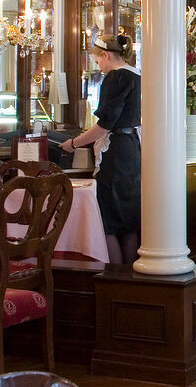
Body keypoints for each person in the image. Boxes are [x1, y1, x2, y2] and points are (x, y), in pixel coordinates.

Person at [59, 35, 141, 264]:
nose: (100, 68)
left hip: (115, 152)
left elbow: (106, 123)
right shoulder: (137, 75)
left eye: (97, 62)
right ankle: (131, 275)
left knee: (108, 220)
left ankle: (114, 279)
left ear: (105, 55)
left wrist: (73, 143)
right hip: (132, 149)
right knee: (128, 218)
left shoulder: (116, 77)